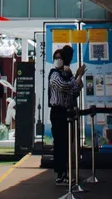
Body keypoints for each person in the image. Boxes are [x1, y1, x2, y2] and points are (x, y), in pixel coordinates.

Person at [48, 44, 84, 184]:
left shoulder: (68, 74)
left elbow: (75, 91)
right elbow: (64, 86)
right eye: (57, 58)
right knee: (59, 143)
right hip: (57, 112)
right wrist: (75, 78)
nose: (59, 60)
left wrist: (77, 77)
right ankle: (60, 174)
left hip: (68, 112)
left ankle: (65, 171)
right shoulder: (54, 74)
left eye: (61, 58)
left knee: (68, 143)